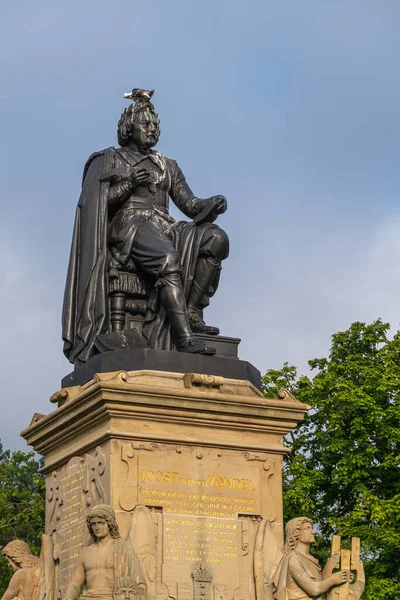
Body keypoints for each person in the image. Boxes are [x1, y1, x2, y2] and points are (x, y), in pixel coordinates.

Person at [62, 89, 229, 365]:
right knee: (167, 257)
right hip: (129, 225)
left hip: (165, 225)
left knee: (216, 239)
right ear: (129, 128)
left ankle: (189, 311)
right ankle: (184, 338)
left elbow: (190, 204)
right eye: (146, 124)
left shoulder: (167, 165)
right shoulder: (109, 159)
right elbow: (97, 204)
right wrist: (127, 183)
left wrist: (212, 203)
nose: (152, 129)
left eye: (155, 125)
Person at [64, 505, 146, 600]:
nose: (96, 527)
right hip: (89, 597)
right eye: (93, 524)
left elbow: (138, 581)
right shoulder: (85, 552)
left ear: (110, 524)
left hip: (113, 597)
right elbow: (75, 584)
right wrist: (68, 597)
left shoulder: (123, 547)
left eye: (101, 523)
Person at [273, 517, 348, 600]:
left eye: (312, 528)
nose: (312, 532)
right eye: (307, 528)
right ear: (296, 533)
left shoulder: (312, 560)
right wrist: (334, 579)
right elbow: (313, 589)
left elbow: (321, 587)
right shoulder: (293, 558)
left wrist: (330, 570)